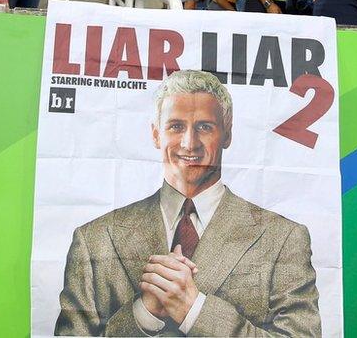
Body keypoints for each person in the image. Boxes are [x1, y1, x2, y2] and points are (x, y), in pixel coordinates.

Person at [54, 70, 322, 337]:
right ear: (156, 134)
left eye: (204, 127)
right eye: (176, 126)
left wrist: (195, 310)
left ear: (227, 135)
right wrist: (143, 315)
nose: (189, 143)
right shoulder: (94, 239)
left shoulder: (284, 238)